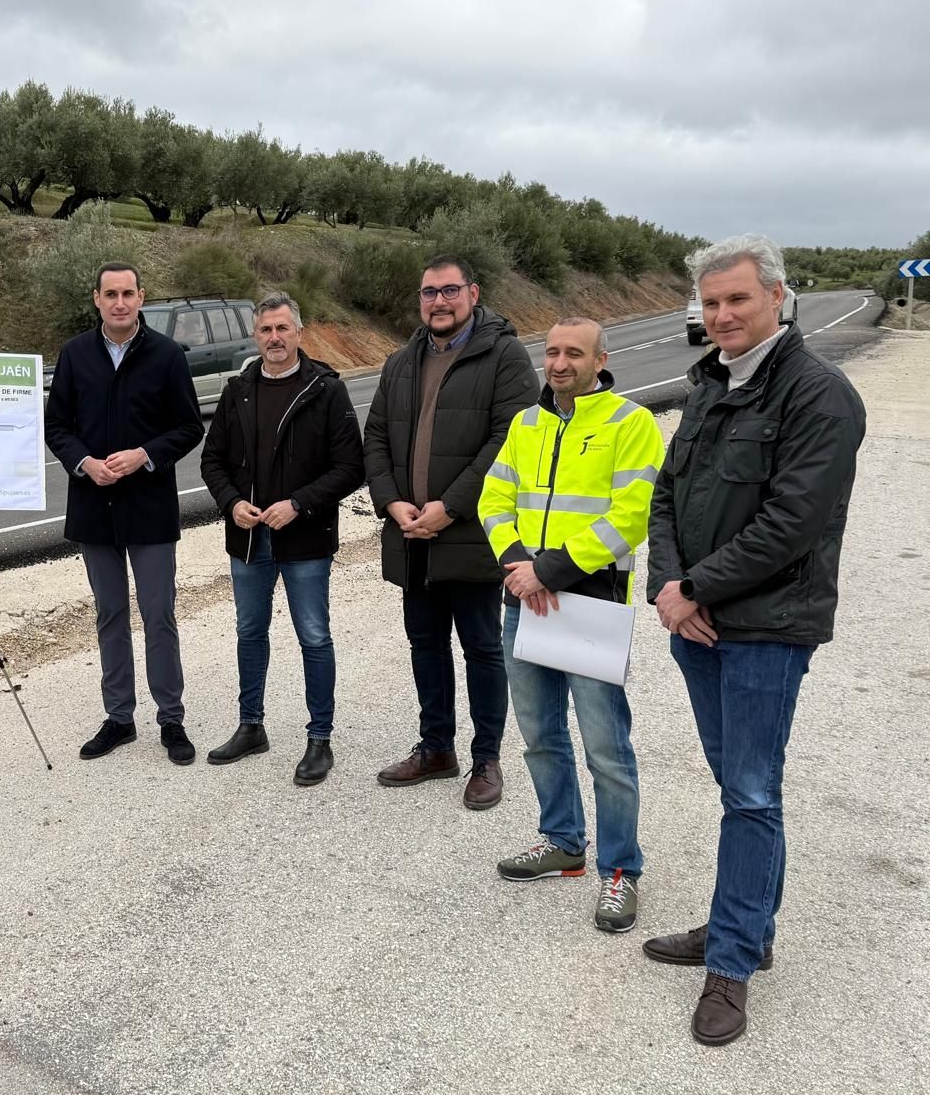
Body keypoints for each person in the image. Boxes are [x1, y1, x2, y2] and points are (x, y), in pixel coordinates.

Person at [643, 234, 866, 1046]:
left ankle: (731, 964)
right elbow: (666, 497)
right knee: (742, 791)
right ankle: (748, 927)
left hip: (765, 631)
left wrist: (695, 588)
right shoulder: (708, 385)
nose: (723, 314)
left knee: (750, 794)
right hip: (695, 626)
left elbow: (791, 524)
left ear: (778, 295)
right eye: (710, 303)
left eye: (737, 298)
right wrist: (667, 589)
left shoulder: (819, 394)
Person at [478, 318, 665, 933]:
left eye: (573, 353)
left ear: (600, 359)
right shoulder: (526, 423)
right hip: (523, 598)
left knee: (606, 747)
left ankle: (620, 869)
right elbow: (493, 498)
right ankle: (562, 840)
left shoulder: (629, 423)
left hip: (590, 602)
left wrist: (548, 570)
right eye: (552, 352)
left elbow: (632, 514)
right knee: (538, 735)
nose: (559, 363)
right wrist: (516, 564)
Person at [363, 255, 537, 808]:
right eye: (429, 292)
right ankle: (436, 748)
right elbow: (376, 439)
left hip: (473, 533)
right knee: (425, 645)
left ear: (473, 292)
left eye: (449, 290)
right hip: (411, 535)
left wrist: (452, 506)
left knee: (483, 649)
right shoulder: (401, 360)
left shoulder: (504, 354)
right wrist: (391, 502)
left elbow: (510, 441)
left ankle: (487, 758)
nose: (438, 301)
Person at [199, 293, 364, 785]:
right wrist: (231, 503)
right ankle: (252, 726)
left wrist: (298, 504)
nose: (274, 338)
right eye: (266, 330)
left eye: (283, 329)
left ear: (299, 332)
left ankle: (320, 738)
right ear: (257, 335)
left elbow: (350, 467)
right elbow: (213, 461)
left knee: (314, 636)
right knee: (250, 633)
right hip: (249, 539)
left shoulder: (325, 390)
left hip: (305, 538)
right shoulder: (238, 389)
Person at [43, 263, 205, 764]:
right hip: (94, 506)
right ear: (96, 299)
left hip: (149, 506)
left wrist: (144, 455)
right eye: (110, 294)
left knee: (158, 615)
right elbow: (57, 427)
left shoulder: (166, 355)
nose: (119, 302)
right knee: (109, 614)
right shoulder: (74, 355)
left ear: (141, 298)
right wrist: (84, 462)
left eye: (128, 293)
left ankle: (171, 719)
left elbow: (188, 427)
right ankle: (119, 718)